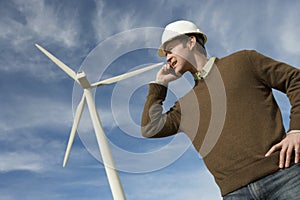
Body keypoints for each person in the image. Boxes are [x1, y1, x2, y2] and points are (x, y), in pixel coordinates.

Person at [141, 20, 300, 199]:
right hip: (235, 194)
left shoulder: (244, 61)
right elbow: (149, 128)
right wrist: (159, 85)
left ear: (190, 42)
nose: (167, 58)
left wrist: (296, 129)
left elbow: (296, 80)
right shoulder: (184, 106)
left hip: (284, 175)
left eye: (170, 49)